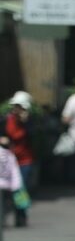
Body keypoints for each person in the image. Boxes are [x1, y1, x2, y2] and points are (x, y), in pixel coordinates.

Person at [2, 91, 35, 226]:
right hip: (7, 161)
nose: (17, 110)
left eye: (20, 107)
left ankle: (21, 217)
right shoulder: (5, 120)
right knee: (4, 189)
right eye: (16, 106)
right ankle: (2, 217)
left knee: (20, 189)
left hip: (24, 160)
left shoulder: (30, 123)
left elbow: (33, 137)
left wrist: (26, 123)